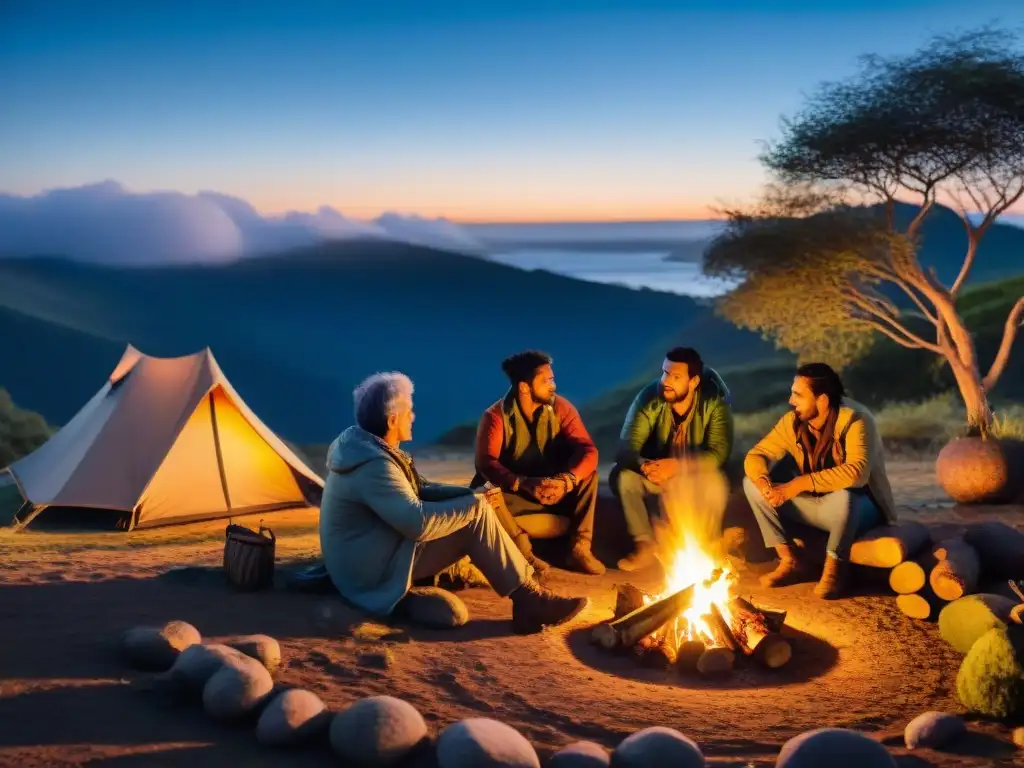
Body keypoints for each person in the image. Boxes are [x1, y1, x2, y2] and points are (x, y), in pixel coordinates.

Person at [318, 371, 590, 634]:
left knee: (475, 508)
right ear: (392, 421)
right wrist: (474, 505)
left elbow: (420, 488)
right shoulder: (375, 466)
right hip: (367, 574)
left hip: (371, 555)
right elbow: (417, 522)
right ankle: (530, 600)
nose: (413, 417)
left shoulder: (372, 449)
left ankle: (528, 595)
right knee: (475, 517)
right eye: (409, 411)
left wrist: (469, 495)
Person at [742, 362, 898, 599]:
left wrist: (795, 486)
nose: (791, 400)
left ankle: (836, 569)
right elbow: (756, 455)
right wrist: (764, 482)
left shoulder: (856, 420)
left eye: (798, 395)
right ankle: (789, 559)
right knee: (750, 483)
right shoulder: (792, 422)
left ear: (822, 400)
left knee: (847, 496)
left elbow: (856, 473)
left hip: (860, 510)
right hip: (818, 508)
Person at [472, 350, 606, 576]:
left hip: (554, 490)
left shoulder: (562, 408)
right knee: (483, 494)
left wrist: (567, 481)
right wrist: (523, 483)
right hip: (515, 495)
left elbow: (588, 449)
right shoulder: (495, 416)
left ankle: (580, 548)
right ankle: (525, 554)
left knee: (590, 476)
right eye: (546, 381)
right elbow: (485, 463)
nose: (553, 385)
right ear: (524, 387)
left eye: (552, 379)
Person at [609, 347, 734, 571]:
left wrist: (678, 466)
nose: (666, 381)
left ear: (693, 381)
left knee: (716, 481)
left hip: (695, 478)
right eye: (665, 373)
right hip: (655, 474)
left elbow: (718, 453)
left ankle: (709, 547)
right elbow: (626, 446)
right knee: (626, 478)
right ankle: (645, 545)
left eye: (676, 377)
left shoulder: (713, 402)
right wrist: (645, 466)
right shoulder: (649, 398)